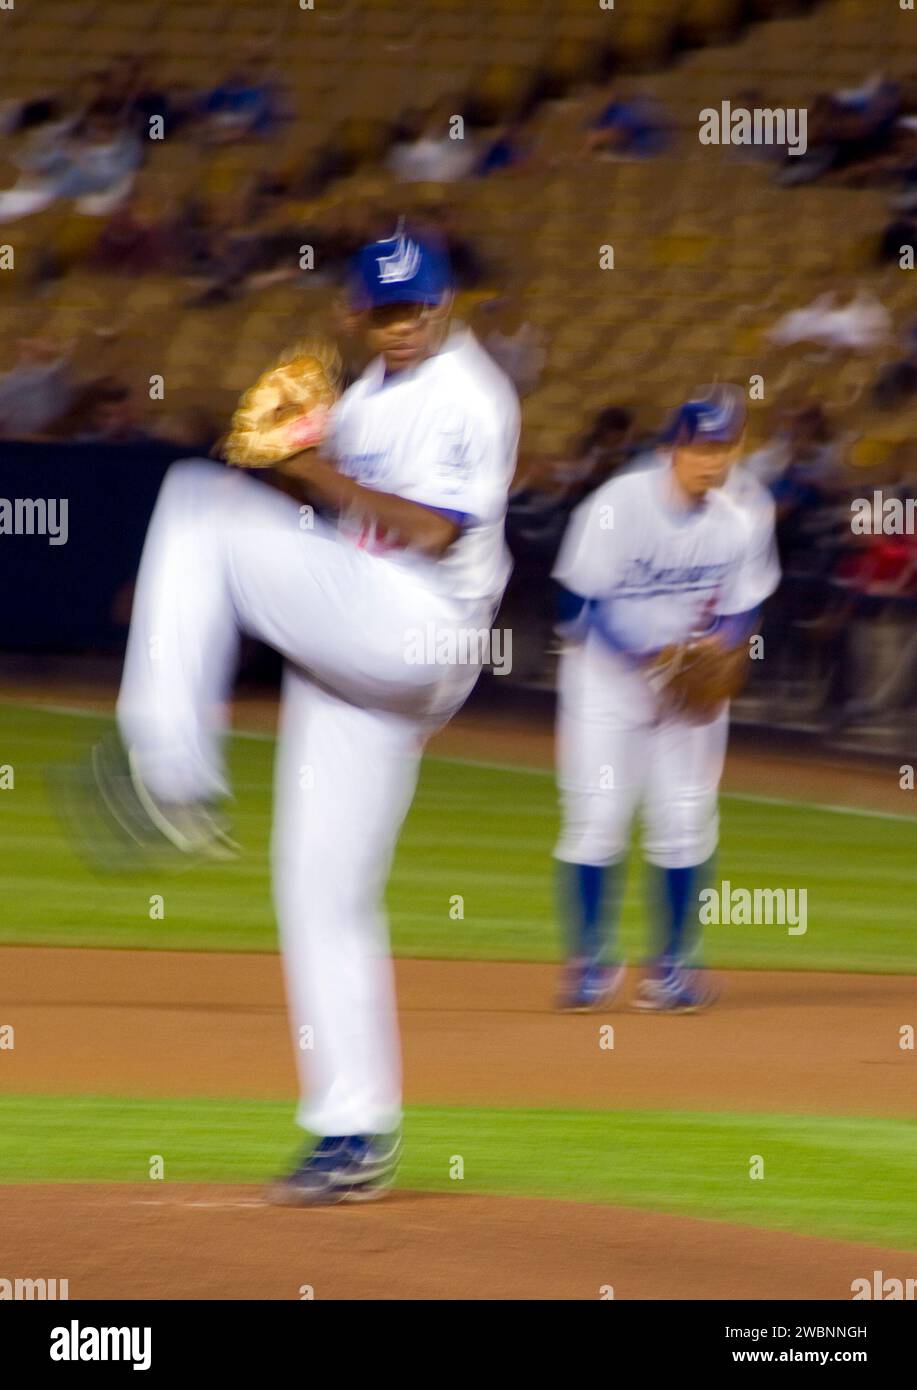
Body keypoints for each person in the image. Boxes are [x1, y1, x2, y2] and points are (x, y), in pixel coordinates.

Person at [60, 231, 519, 1204]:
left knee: (190, 499)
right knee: (321, 891)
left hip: (418, 626)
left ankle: (167, 774)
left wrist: (300, 473)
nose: (405, 323)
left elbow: (433, 530)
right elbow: (324, 523)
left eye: (419, 306)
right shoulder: (362, 397)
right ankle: (353, 1133)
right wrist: (264, 483)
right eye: (386, 309)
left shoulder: (470, 394)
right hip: (356, 635)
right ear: (355, 312)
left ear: (446, 303)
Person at [551, 386, 779, 1013]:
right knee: (596, 821)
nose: (714, 460)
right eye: (702, 446)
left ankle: (673, 968)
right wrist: (648, 658)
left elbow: (746, 600)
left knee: (685, 824)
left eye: (725, 446)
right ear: (672, 447)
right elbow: (575, 604)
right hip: (606, 680)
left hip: (687, 689)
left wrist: (727, 646)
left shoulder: (747, 508)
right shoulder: (618, 505)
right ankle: (591, 961)